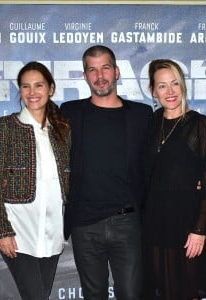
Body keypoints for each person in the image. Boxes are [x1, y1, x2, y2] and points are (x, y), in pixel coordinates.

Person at [60, 45, 153, 300]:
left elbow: (157, 161)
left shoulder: (142, 114)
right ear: (85, 76)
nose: (100, 75)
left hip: (128, 223)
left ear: (117, 71)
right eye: (92, 69)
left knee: (132, 295)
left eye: (105, 68)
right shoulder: (69, 112)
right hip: (84, 225)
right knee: (93, 296)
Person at [0, 61, 70, 300]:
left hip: (53, 230)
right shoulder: (4, 127)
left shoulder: (63, 129)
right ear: (20, 91)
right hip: (18, 230)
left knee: (40, 296)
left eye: (38, 85)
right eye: (25, 86)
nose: (32, 92)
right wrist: (2, 231)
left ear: (51, 88)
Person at [142, 59, 206, 300]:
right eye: (162, 86)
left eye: (175, 83)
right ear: (152, 91)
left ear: (183, 86)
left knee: (186, 291)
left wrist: (200, 230)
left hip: (187, 224)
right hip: (155, 223)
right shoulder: (152, 122)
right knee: (159, 291)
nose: (170, 92)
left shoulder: (200, 125)